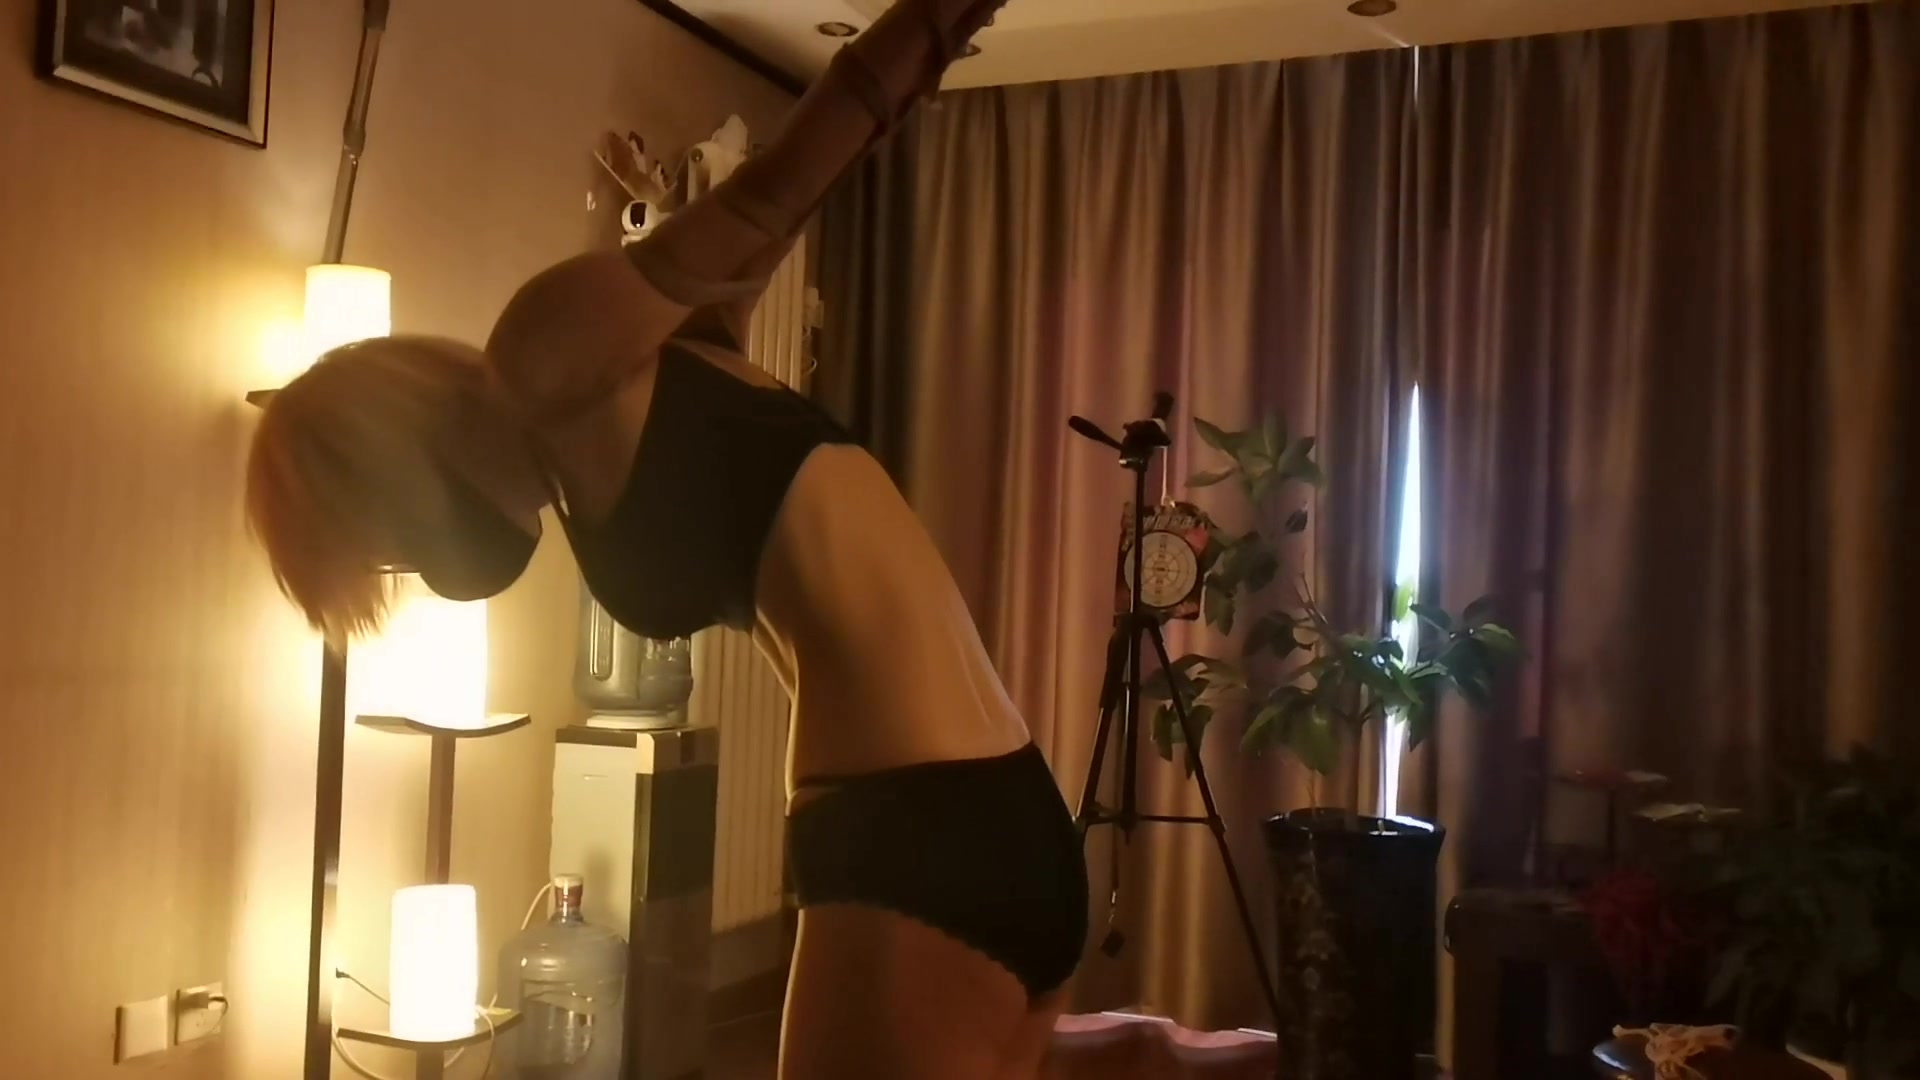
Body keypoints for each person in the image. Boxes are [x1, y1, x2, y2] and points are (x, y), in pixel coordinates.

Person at [244, 0, 1090, 1076]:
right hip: (1005, 806)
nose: (407, 569)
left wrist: (929, 22)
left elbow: (789, 175)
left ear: (382, 474)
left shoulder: (539, 360)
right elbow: (792, 195)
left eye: (382, 550)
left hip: (911, 837)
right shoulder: (655, 372)